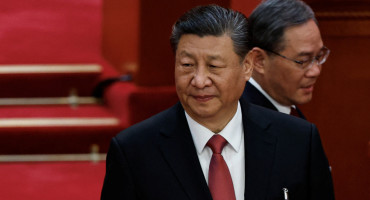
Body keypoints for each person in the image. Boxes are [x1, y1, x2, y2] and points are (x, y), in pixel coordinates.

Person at [101, 4, 334, 200]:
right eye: (187, 65)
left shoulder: (299, 141)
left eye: (214, 66)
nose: (199, 80)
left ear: (247, 66)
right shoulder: (134, 152)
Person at [242, 0, 330, 119]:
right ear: (259, 60)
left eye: (318, 56)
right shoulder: (241, 119)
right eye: (303, 61)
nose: (316, 71)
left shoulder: (288, 110)